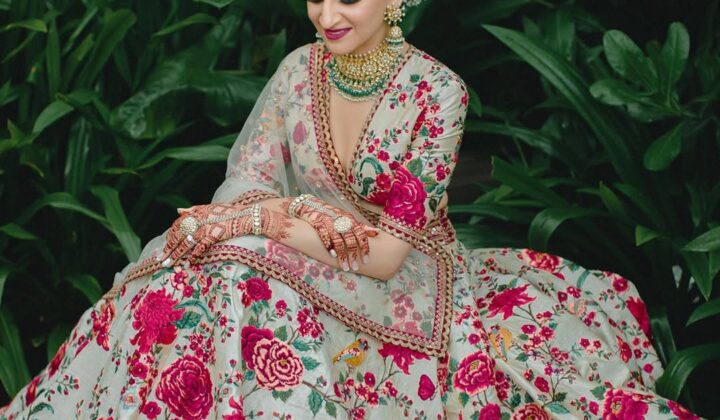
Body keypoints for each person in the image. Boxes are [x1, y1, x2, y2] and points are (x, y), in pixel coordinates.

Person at [0, 0, 703, 419]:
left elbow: (388, 254)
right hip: (284, 252)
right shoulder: (296, 70)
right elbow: (248, 180)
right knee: (191, 276)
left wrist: (264, 224)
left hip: (405, 279)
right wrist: (267, 222)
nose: (327, 15)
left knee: (242, 271)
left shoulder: (437, 94)